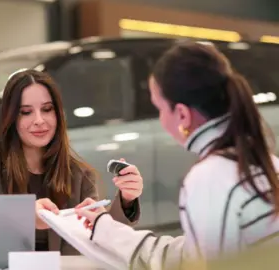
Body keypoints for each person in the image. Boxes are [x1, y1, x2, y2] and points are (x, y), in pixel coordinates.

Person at [74, 41, 279, 269]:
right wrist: (106, 229)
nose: (160, 120)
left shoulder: (210, 177)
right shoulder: (263, 162)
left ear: (181, 114)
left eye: (160, 108)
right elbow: (191, 255)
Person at [0, 69, 143, 255]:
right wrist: (25, 215)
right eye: (26, 112)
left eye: (47, 109)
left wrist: (126, 200)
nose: (39, 120)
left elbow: (102, 243)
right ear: (11, 117)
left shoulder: (79, 175)